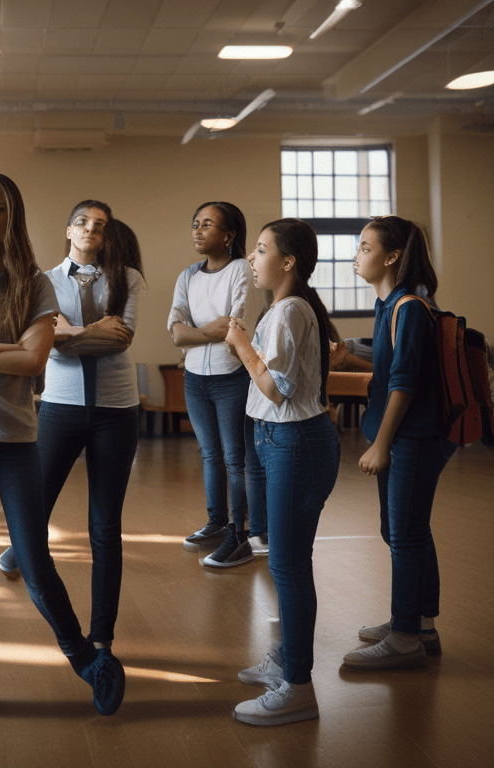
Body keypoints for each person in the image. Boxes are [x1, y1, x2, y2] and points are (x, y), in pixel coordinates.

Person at [0, 172, 126, 725]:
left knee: (35, 561)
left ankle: (85, 659)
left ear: (14, 217)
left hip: (14, 436)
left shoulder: (35, 283)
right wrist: (4, 348)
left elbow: (34, 362)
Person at [0, 202, 145, 658]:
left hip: (117, 409)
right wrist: (93, 330)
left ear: (107, 235)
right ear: (69, 230)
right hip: (60, 405)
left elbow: (122, 338)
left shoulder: (128, 279)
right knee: (33, 507)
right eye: (83, 222)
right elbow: (46, 343)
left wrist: (69, 332)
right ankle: (20, 549)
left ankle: (102, 637)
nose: (91, 229)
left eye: (100, 225)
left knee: (106, 527)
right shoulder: (44, 281)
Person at [225, 218, 340, 725]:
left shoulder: (289, 311)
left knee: (289, 566)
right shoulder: (284, 308)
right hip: (281, 441)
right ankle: (285, 661)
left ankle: (298, 684)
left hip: (294, 443)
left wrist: (241, 345)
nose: (252, 258)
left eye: (261, 249)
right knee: (284, 564)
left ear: (288, 261)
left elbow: (278, 389)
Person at [342, 215, 455, 670]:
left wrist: (381, 443)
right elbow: (389, 365)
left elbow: (403, 384)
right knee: (404, 531)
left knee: (404, 534)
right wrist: (348, 356)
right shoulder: (390, 306)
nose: (357, 254)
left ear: (391, 256)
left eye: (365, 247)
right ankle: (420, 625)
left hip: (414, 437)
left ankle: (405, 635)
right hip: (409, 436)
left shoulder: (408, 306)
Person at [168, 201, 261, 566]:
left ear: (229, 235)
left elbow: (233, 327)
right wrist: (206, 332)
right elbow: (176, 332)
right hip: (195, 378)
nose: (198, 229)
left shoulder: (241, 270)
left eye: (208, 224)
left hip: (231, 376)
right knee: (210, 455)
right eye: (195, 223)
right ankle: (217, 522)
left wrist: (195, 333)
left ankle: (240, 532)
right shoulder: (188, 275)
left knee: (234, 458)